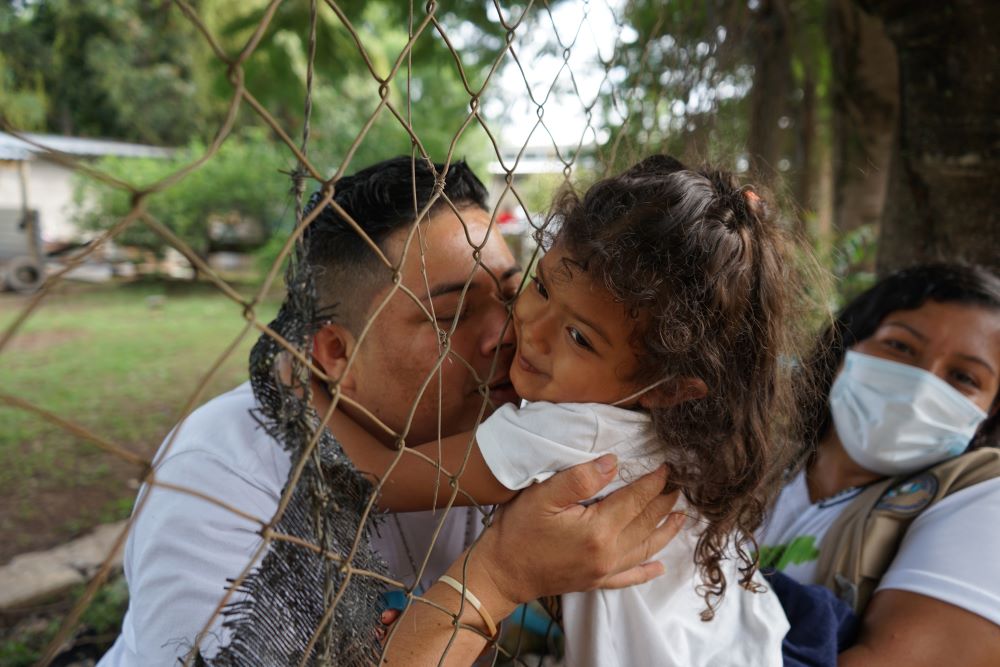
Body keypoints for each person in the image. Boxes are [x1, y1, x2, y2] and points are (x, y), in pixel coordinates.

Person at [98, 157, 681, 666]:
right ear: (335, 354)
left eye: (510, 292)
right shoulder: (216, 478)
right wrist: (501, 577)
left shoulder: (523, 422)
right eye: (451, 315)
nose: (511, 334)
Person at [338, 156, 812, 666]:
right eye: (541, 287)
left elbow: (375, 477)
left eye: (580, 338)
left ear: (671, 388)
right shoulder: (680, 427)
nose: (532, 330)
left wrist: (314, 393)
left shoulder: (570, 431)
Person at [757, 263, 1000, 666]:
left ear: (989, 414)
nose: (922, 386)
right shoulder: (742, 464)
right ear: (847, 345)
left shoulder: (982, 499)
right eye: (901, 347)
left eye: (963, 377)